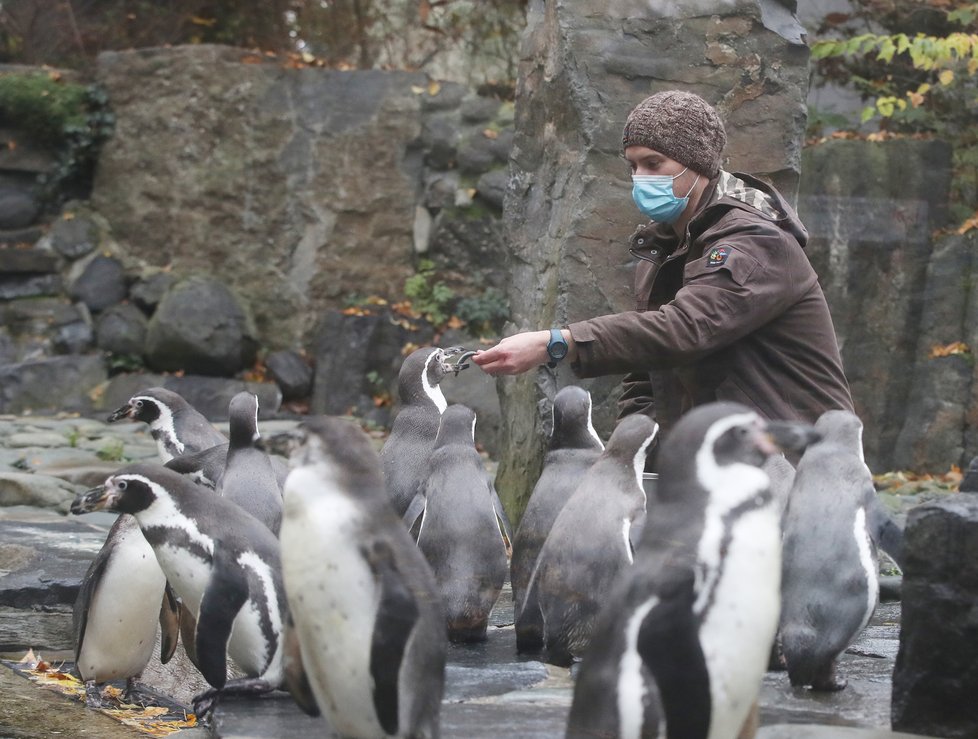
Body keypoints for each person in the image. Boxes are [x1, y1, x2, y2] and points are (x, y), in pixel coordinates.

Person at [472, 89, 853, 447]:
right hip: (718, 461)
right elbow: (649, 373)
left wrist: (557, 342)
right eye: (633, 165)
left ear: (697, 164)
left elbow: (686, 329)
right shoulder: (667, 246)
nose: (641, 177)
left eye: (654, 163)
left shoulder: (754, 239)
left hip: (799, 461)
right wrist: (625, 465)